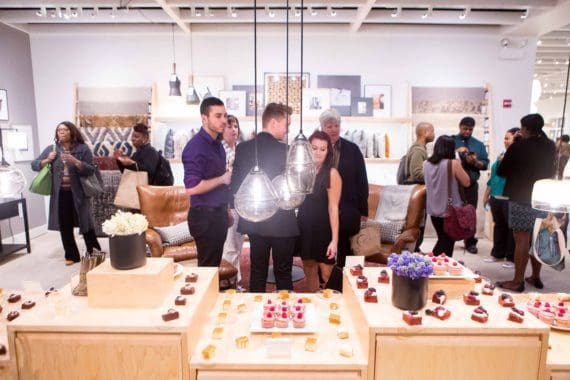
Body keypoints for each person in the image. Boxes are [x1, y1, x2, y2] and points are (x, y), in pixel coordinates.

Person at [231, 103, 299, 292]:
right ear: (275, 122)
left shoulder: (243, 149)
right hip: (283, 222)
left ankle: (256, 315)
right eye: (287, 124)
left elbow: (236, 186)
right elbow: (295, 188)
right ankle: (286, 316)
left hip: (255, 220)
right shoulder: (287, 150)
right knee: (283, 272)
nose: (287, 130)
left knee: (257, 271)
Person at [496, 114, 556, 292]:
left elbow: (502, 170)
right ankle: (536, 276)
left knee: (521, 238)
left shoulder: (518, 146)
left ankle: (517, 280)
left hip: (521, 195)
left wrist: (515, 144)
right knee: (539, 237)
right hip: (543, 195)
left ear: (526, 129)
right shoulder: (550, 145)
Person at [31, 121, 101, 265]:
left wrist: (75, 161)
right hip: (60, 194)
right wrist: (47, 160)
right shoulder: (52, 149)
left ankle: (94, 252)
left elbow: (90, 170)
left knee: (86, 223)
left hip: (79, 193)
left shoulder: (82, 149)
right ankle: (71, 255)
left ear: (72, 132)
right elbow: (34, 165)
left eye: (64, 129)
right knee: (65, 225)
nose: (61, 132)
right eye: (58, 130)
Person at [182, 97, 232, 267]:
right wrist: (222, 179)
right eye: (218, 116)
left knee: (213, 267)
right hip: (204, 218)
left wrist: (225, 210)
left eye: (225, 115)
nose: (224, 120)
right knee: (207, 270)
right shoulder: (195, 147)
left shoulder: (218, 144)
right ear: (204, 118)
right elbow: (192, 188)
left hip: (217, 215)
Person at [320, 108, 368, 267]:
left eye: (336, 125)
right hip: (323, 206)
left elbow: (362, 179)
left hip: (348, 206)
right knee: (324, 244)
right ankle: (324, 279)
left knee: (345, 246)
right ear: (322, 127)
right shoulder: (316, 148)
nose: (333, 129)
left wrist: (363, 210)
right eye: (329, 126)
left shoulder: (352, 149)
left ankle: (343, 278)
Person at [298, 131, 342, 292]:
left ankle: (333, 310)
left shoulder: (332, 174)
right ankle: (314, 309)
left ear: (328, 152)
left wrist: (334, 241)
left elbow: (333, 208)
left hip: (324, 230)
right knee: (309, 271)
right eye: (314, 148)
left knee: (327, 274)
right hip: (305, 227)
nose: (317, 153)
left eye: (322, 149)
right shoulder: (302, 171)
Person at [423, 135, 470, 257]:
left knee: (444, 240)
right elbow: (467, 182)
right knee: (446, 243)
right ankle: (430, 264)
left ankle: (441, 268)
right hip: (450, 210)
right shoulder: (453, 163)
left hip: (433, 211)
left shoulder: (426, 164)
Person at [482, 127, 519, 267]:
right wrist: (486, 195)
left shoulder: (517, 158)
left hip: (510, 197)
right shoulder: (501, 156)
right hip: (495, 196)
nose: (505, 141)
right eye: (505, 138)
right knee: (498, 226)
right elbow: (493, 178)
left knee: (511, 229)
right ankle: (497, 254)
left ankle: (511, 258)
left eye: (508, 138)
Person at [454, 116, 489, 254]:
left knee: (470, 213)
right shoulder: (451, 141)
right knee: (451, 211)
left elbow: (485, 164)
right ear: (460, 126)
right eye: (465, 128)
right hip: (454, 186)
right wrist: (457, 151)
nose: (467, 131)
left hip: (471, 186)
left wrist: (474, 162)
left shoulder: (478, 145)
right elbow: (442, 156)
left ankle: (470, 242)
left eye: (470, 129)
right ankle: (449, 238)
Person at [220, 115, 244, 290]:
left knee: (238, 244)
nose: (234, 129)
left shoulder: (240, 149)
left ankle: (235, 279)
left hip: (241, 201)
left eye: (235, 126)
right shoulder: (220, 150)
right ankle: (230, 282)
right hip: (227, 202)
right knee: (230, 245)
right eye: (229, 126)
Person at [406, 122, 435, 252]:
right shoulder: (418, 150)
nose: (434, 134)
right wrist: (434, 175)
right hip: (417, 195)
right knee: (418, 223)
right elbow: (416, 173)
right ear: (425, 133)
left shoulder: (419, 148)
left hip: (417, 193)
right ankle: (415, 249)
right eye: (432, 131)